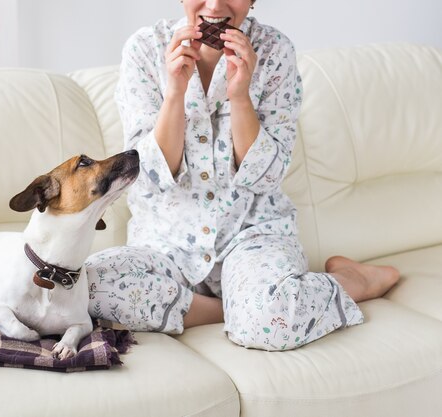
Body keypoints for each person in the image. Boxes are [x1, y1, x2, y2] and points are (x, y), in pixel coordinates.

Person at [85, 0, 399, 351]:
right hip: (165, 244)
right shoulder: (145, 48)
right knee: (88, 284)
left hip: (251, 236)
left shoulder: (274, 50)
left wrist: (240, 96)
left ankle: (350, 281)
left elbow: (265, 177)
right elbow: (148, 177)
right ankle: (239, 310)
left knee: (272, 324)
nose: (216, 5)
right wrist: (174, 93)